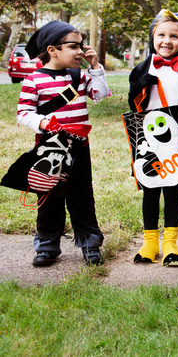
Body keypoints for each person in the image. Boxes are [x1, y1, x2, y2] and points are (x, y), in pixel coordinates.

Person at [17, 20, 111, 267]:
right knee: (49, 197)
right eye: (74, 46)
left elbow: (100, 94)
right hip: (50, 149)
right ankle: (47, 245)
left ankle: (90, 242)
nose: (81, 51)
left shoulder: (78, 76)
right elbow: (23, 113)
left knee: (82, 196)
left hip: (79, 147)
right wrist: (44, 123)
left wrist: (95, 67)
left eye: (82, 46)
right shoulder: (34, 80)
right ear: (52, 50)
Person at [127, 9, 178, 267]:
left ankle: (171, 243)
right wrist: (139, 88)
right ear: (152, 37)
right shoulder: (141, 68)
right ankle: (149, 242)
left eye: (174, 36)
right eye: (161, 35)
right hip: (148, 140)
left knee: (172, 191)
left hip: (177, 139)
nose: (167, 41)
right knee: (149, 191)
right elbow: (134, 108)